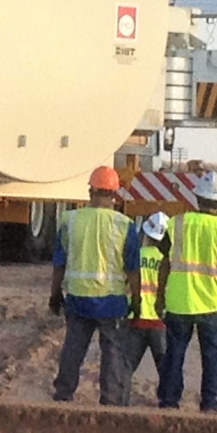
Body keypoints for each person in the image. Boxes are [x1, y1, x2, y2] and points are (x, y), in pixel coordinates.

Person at [155, 171, 217, 412]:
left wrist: (160, 296)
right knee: (211, 357)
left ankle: (169, 400)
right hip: (213, 305)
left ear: (196, 197)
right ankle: (209, 402)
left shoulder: (177, 224)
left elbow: (164, 263)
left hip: (178, 302)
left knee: (174, 355)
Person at [48, 166, 137, 406]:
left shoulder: (70, 221)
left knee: (73, 351)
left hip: (78, 298)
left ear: (90, 191)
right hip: (112, 301)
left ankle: (63, 394)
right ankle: (110, 402)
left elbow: (59, 263)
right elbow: (132, 269)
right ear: (115, 194)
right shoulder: (125, 225)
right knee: (112, 354)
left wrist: (55, 294)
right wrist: (137, 301)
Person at [126, 211, 169, 389]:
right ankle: (167, 407)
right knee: (166, 370)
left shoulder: (136, 255)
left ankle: (120, 404)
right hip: (160, 321)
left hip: (135, 318)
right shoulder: (167, 260)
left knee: (125, 368)